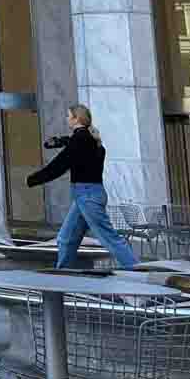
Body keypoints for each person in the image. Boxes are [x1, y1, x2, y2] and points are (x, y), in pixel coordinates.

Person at [29, 103, 138, 270]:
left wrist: (33, 179)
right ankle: (64, 273)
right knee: (65, 238)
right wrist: (60, 141)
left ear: (76, 119)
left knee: (109, 238)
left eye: (68, 116)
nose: (66, 119)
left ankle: (138, 272)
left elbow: (59, 165)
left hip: (88, 196)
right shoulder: (88, 139)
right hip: (86, 195)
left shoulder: (81, 140)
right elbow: (75, 144)